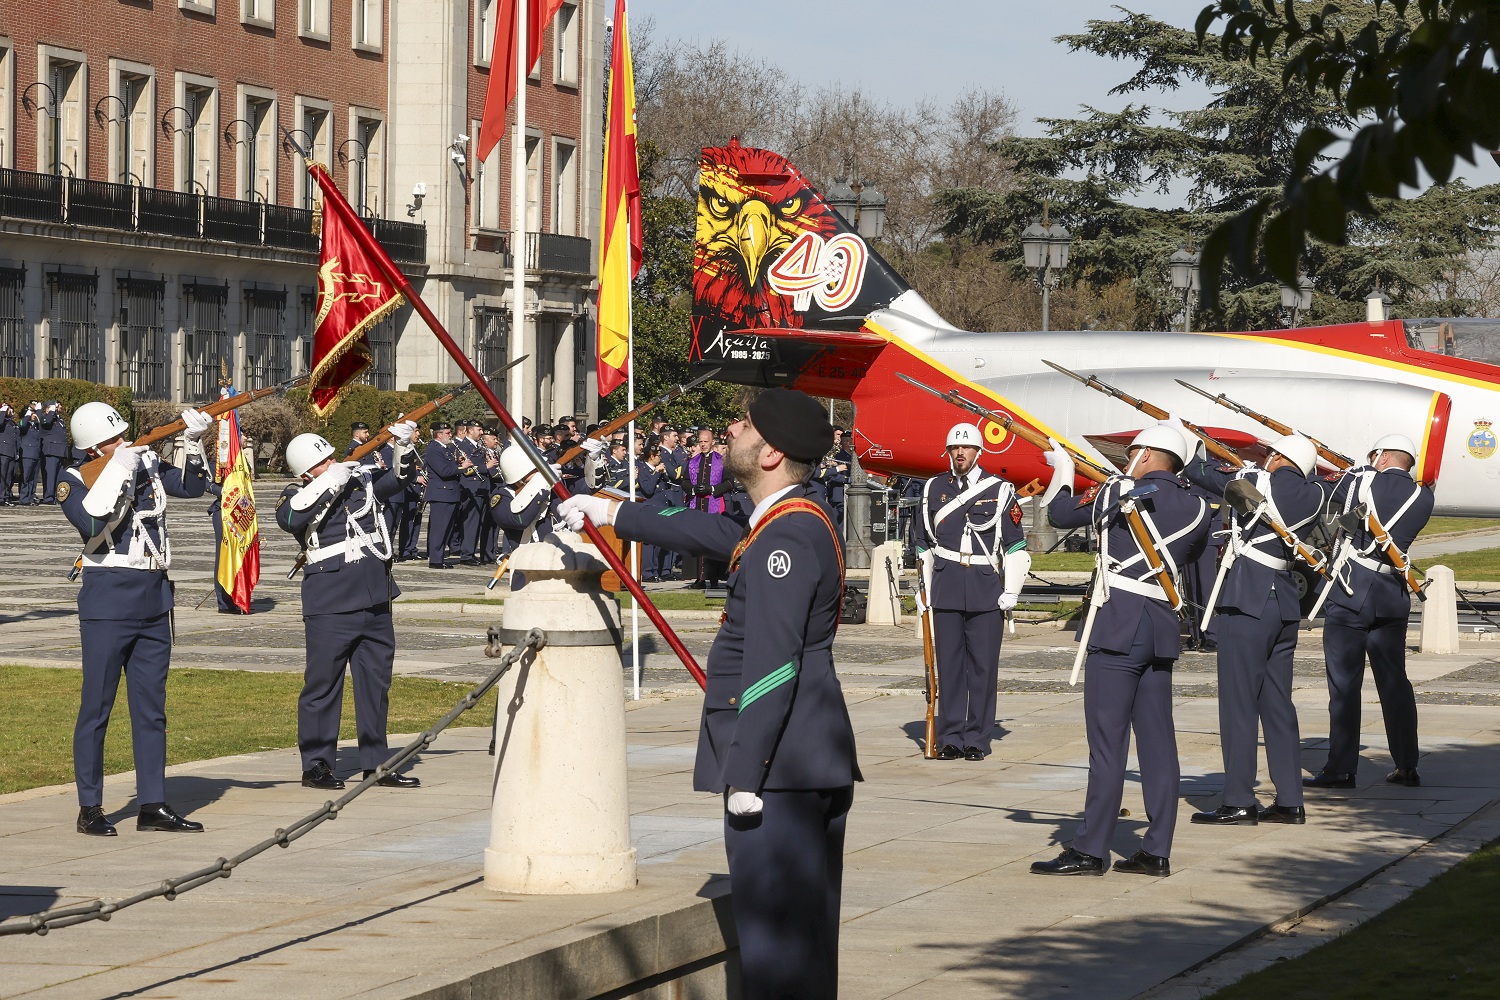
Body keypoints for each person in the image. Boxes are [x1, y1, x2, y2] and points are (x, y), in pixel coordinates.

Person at [557, 387, 859, 1000]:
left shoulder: (784, 539)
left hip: (777, 771)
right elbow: (711, 531)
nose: (730, 429)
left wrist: (745, 773)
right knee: (803, 953)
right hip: (801, 759)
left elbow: (774, 665)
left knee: (779, 959)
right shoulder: (786, 520)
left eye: (744, 424)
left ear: (771, 454)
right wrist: (613, 512)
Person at [1031, 424, 1211, 877]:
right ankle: (1157, 850)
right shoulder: (1197, 506)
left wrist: (1063, 472)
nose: (1127, 459)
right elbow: (1191, 556)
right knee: (1158, 744)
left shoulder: (1118, 491)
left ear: (1147, 454)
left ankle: (1091, 849)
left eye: (1132, 452)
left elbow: (1060, 516)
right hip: (1160, 626)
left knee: (1107, 745)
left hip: (1118, 625)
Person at [61, 401, 213, 836]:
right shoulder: (73, 479)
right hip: (109, 601)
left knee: (151, 710)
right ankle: (90, 806)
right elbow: (92, 524)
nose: (124, 442)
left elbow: (191, 487)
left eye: (123, 435)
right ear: (93, 450)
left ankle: (153, 804)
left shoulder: (143, 463)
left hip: (153, 598)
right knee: (97, 708)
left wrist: (193, 443)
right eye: (113, 440)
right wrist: (117, 469)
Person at [1183, 434, 1326, 825]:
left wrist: (1191, 440)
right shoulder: (1315, 493)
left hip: (1248, 596)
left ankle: (1239, 799)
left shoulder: (1255, 480)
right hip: (1284, 599)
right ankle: (1290, 799)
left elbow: (1198, 471)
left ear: (1278, 457)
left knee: (1238, 704)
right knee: (1278, 704)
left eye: (1270, 455)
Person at [277, 424, 421, 791]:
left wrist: (402, 446)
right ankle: (317, 764)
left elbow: (399, 479)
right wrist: (329, 481)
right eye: (323, 462)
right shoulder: (297, 493)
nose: (332, 463)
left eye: (331, 458)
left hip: (375, 597)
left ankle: (377, 762)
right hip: (331, 602)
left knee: (376, 685)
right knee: (323, 686)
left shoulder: (359, 482)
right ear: (306, 473)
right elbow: (290, 519)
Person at [1307, 433, 1434, 789]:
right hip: (1392, 593)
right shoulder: (1424, 496)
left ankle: (1341, 767)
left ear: (1382, 456)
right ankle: (1407, 764)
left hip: (1352, 590)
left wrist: (1353, 471)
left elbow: (1330, 498)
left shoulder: (1359, 481)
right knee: (1394, 683)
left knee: (1344, 685)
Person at [915, 423, 1030, 762]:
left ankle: (977, 738)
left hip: (985, 587)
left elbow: (1015, 546)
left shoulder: (1000, 490)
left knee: (983, 668)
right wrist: (923, 587)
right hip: (946, 585)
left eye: (965, 448)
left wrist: (1011, 591)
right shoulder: (933, 488)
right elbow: (922, 542)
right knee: (949, 667)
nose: (959, 453)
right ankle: (950, 737)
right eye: (954, 448)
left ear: (979, 451)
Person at [687, 429, 731, 588]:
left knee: (712, 540)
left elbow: (729, 483)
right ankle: (699, 578)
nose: (703, 444)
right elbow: (684, 481)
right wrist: (693, 490)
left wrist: (712, 489)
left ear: (713, 442)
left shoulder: (721, 460)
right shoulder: (693, 461)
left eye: (706, 441)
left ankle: (713, 578)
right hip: (697, 504)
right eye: (700, 441)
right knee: (697, 541)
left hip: (714, 504)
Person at [422, 421, 462, 569]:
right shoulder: (433, 449)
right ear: (439, 434)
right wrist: (461, 468)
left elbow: (449, 467)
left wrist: (457, 463)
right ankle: (435, 560)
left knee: (447, 528)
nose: (450, 435)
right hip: (441, 493)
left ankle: (440, 557)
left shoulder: (445, 448)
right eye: (447, 433)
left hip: (449, 493)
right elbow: (444, 471)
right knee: (439, 529)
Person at [40, 400, 69, 503]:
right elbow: (46, 422)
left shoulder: (59, 420)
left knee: (58, 476)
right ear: (49, 408)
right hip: (51, 451)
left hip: (60, 451)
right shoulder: (46, 418)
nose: (60, 407)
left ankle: (56, 496)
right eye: (57, 406)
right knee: (50, 476)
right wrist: (51, 411)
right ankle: (48, 497)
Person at [18, 400, 41, 505]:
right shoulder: (25, 424)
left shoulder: (36, 425)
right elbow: (22, 425)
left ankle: (30, 497)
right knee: (25, 477)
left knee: (33, 478)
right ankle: (24, 498)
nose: (34, 415)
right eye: (32, 413)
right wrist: (28, 413)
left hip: (35, 454)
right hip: (27, 454)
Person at [0, 401, 18, 504]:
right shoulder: (2, 420)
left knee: (8, 476)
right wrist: (2, 412)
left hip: (11, 452)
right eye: (8, 409)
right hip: (3, 451)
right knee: (2, 475)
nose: (10, 411)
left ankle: (6, 496)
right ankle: (1, 497)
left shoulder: (11, 423)